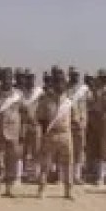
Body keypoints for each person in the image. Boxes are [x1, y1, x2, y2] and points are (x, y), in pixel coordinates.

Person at [0, 67, 26, 197]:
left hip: (14, 132)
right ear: (0, 79)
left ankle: (10, 187)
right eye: (4, 77)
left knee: (12, 161)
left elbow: (24, 113)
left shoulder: (18, 94)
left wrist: (23, 131)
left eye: (9, 77)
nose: (7, 80)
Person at [36, 68, 76, 199]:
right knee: (45, 164)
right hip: (50, 135)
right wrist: (45, 132)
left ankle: (68, 190)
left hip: (66, 134)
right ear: (53, 83)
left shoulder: (70, 101)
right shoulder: (45, 99)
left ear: (65, 83)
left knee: (68, 163)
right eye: (57, 81)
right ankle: (42, 189)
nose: (59, 84)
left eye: (62, 82)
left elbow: (75, 118)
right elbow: (40, 117)